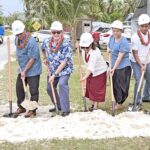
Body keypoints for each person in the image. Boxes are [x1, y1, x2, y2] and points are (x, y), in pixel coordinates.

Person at [41, 21, 73, 117]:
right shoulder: (46, 41)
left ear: (62, 32)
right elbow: (42, 49)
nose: (56, 34)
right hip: (52, 69)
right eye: (54, 32)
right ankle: (58, 105)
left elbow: (64, 62)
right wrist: (45, 58)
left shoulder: (67, 43)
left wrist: (55, 75)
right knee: (49, 88)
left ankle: (65, 109)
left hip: (64, 69)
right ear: (51, 32)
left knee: (62, 84)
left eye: (58, 32)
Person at [12, 20, 42, 117]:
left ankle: (32, 110)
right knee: (19, 87)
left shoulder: (32, 42)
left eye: (20, 33)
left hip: (33, 69)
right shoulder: (17, 39)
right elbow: (18, 50)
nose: (19, 36)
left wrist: (24, 71)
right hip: (22, 68)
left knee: (33, 90)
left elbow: (32, 59)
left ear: (24, 30)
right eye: (17, 34)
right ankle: (22, 107)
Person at [79, 32, 107, 111]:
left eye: (87, 47)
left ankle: (95, 107)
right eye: (83, 47)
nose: (85, 49)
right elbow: (88, 64)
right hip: (91, 71)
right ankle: (92, 104)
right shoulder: (84, 50)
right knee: (90, 88)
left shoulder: (95, 52)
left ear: (91, 44)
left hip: (100, 71)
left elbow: (91, 67)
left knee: (96, 89)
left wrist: (84, 77)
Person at [108, 20, 131, 110]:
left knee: (122, 86)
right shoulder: (111, 38)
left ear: (121, 31)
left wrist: (114, 68)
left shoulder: (124, 42)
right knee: (115, 84)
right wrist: (108, 49)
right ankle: (117, 102)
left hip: (123, 66)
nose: (115, 32)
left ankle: (120, 102)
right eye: (114, 30)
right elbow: (109, 46)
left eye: (117, 31)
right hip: (113, 65)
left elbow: (120, 57)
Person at [130, 14, 150, 111]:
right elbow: (135, 53)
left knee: (149, 79)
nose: (144, 28)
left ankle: (146, 96)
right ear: (139, 26)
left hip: (147, 59)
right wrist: (141, 66)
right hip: (136, 61)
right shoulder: (135, 37)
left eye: (146, 26)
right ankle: (136, 102)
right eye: (142, 26)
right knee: (139, 80)